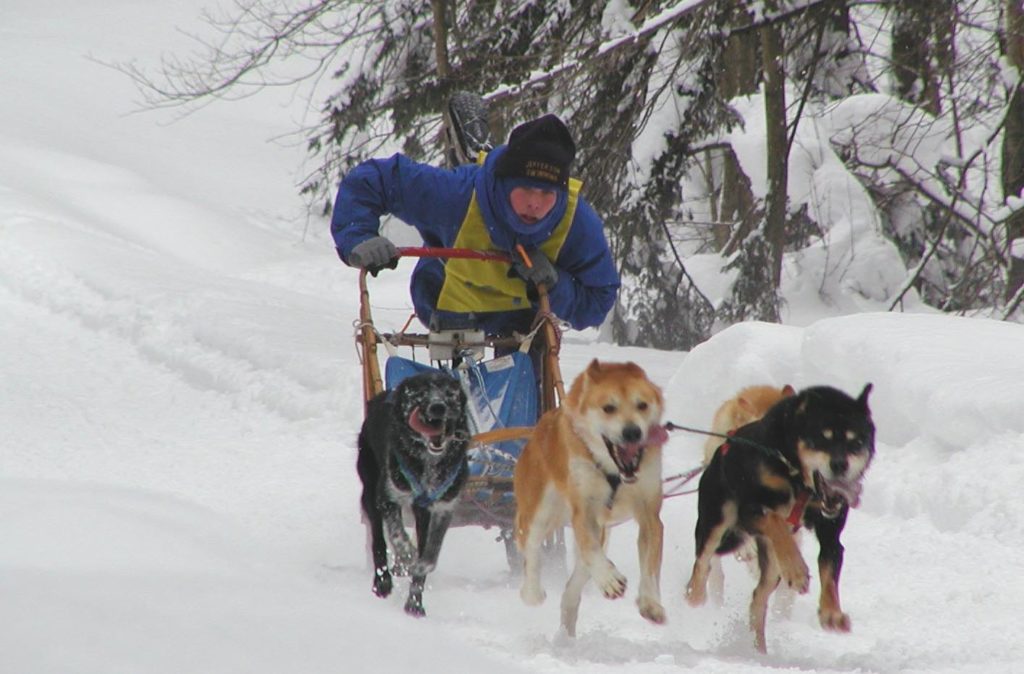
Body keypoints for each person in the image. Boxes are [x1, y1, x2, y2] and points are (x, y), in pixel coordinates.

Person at [330, 113, 619, 338]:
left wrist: (555, 284)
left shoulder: (576, 222)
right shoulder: (455, 194)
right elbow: (376, 179)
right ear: (506, 183)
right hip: (448, 305)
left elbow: (598, 299)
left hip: (522, 323)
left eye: (547, 193)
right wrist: (358, 236)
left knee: (522, 400)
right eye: (527, 189)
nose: (536, 203)